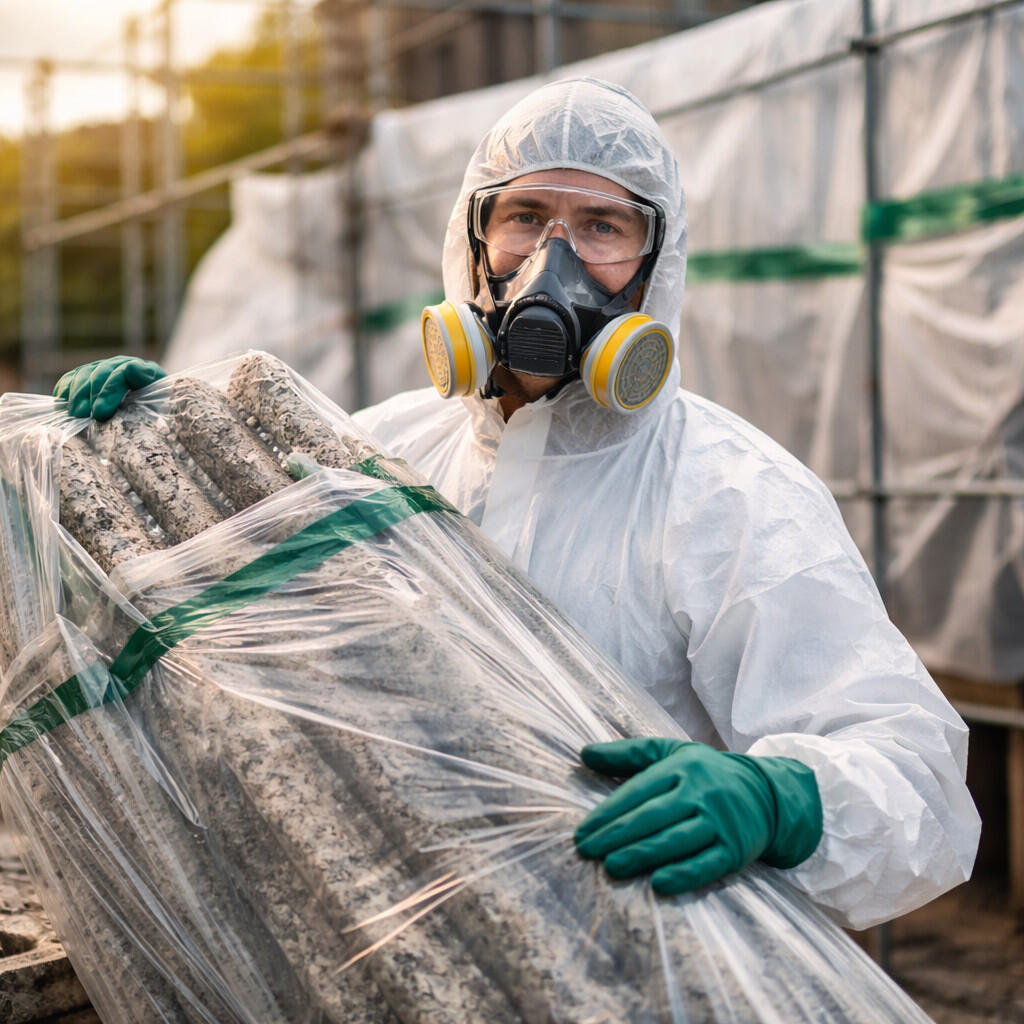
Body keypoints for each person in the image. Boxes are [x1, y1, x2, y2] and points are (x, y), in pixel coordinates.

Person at [54, 77, 979, 930]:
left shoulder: (732, 491)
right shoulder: (381, 450)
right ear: (473, 244)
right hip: (398, 935)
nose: (555, 262)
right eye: (526, 217)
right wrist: (151, 448)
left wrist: (778, 797)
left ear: (657, 264)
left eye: (603, 228)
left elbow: (916, 776)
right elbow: (231, 629)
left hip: (638, 948)